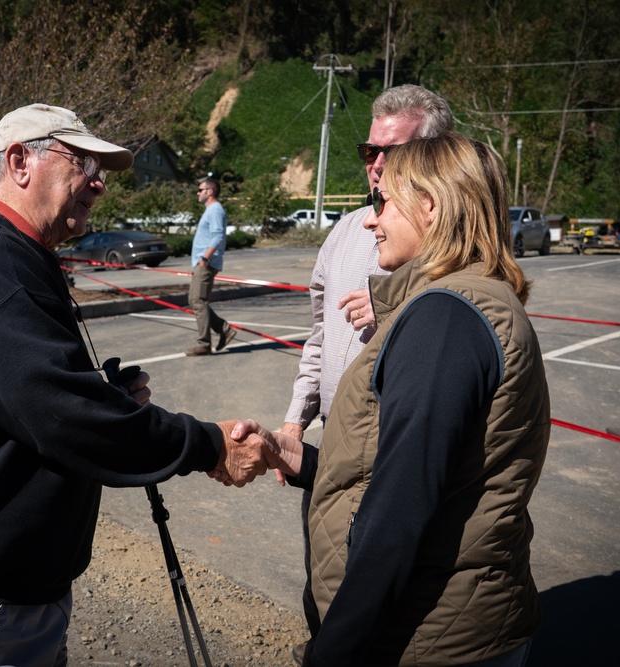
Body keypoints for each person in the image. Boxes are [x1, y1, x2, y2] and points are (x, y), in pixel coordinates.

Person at [0, 103, 273, 667]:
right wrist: (211, 444)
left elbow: (28, 402)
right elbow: (62, 414)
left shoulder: (14, 256)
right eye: (83, 163)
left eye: (101, 169)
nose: (99, 184)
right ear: (20, 162)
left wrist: (106, 402)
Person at [238, 132, 551, 666]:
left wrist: (333, 652)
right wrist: (306, 461)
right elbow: (431, 468)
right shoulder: (469, 303)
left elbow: (401, 507)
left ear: (428, 206)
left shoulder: (446, 317)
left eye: (383, 203)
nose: (370, 220)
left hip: (428, 637)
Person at [280, 84, 454, 664]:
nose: (375, 165)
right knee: (324, 595)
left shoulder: (453, 247)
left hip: (395, 461)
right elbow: (319, 339)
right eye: (368, 150)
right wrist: (292, 423)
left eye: (392, 151)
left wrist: (396, 308)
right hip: (332, 449)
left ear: (436, 155)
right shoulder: (346, 232)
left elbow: (458, 329)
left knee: (385, 613)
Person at [185, 177, 237, 356]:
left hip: (206, 263)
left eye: (200, 190)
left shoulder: (215, 210)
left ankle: (204, 344)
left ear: (210, 191)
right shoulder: (211, 210)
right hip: (203, 263)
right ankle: (224, 330)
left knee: (198, 301)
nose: (198, 193)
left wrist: (205, 259)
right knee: (195, 300)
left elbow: (218, 236)